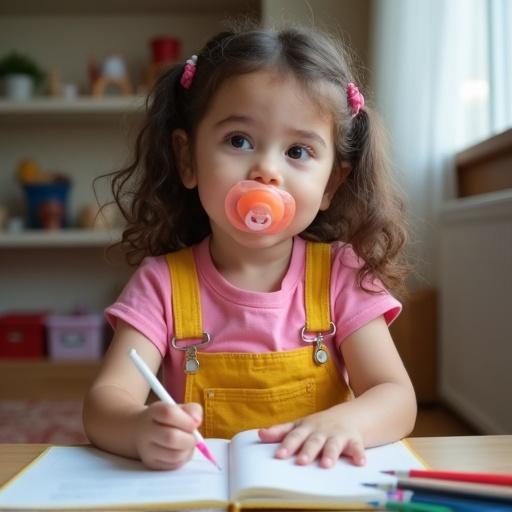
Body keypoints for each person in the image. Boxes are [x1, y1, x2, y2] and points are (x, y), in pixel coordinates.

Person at [83, 24, 416, 471]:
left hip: (314, 491)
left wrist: (346, 423)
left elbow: (396, 397)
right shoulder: (161, 283)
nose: (266, 171)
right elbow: (106, 402)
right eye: (239, 141)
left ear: (332, 183)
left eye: (298, 151)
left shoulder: (341, 275)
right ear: (188, 159)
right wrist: (140, 428)